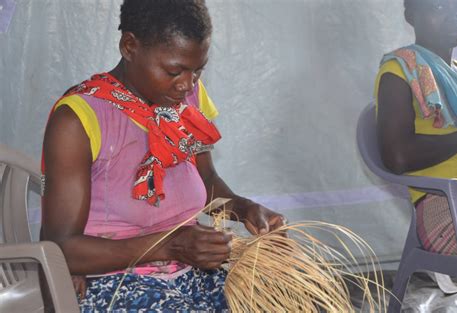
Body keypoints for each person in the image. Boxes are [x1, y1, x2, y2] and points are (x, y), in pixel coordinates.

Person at [40, 0, 286, 311]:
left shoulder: (187, 98)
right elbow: (61, 248)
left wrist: (245, 208)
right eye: (174, 70)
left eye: (198, 70)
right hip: (112, 281)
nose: (187, 84)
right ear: (129, 46)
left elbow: (206, 181)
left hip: (187, 272)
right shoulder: (79, 119)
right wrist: (171, 245)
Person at [375, 0, 457, 257]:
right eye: (440, 7)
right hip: (448, 211)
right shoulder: (400, 71)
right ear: (412, 14)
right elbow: (397, 157)